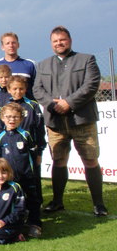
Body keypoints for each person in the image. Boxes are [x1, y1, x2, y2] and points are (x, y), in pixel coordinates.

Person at [33, 26, 107, 216]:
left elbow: (91, 85)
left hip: (82, 119)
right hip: (55, 122)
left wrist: (69, 103)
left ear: (70, 40)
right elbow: (38, 90)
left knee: (90, 160)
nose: (59, 43)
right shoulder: (42, 65)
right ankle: (57, 201)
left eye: (62, 40)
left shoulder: (86, 59)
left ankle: (98, 204)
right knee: (58, 161)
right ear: (51, 43)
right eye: (55, 41)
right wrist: (52, 104)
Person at [0, 102, 41, 238]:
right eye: (9, 117)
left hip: (26, 175)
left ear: (21, 119)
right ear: (3, 118)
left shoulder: (26, 135)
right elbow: (0, 157)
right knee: (13, 201)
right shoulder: (0, 137)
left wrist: (31, 171)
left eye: (16, 117)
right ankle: (16, 227)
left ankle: (35, 224)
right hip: (10, 177)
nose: (12, 120)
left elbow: (32, 154)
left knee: (32, 199)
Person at [0, 32, 36, 97]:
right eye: (7, 43)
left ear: (18, 45)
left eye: (13, 43)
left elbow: (37, 88)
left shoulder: (30, 64)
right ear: (2, 47)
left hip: (25, 105)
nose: (11, 45)